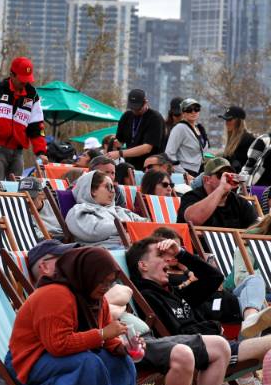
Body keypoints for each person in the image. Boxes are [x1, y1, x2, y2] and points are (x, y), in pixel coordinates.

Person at [6, 247, 138, 385]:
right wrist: (104, 335)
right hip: (28, 361)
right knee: (89, 362)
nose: (106, 287)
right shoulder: (55, 295)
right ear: (86, 274)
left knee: (121, 363)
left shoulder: (95, 298)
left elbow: (104, 332)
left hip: (65, 358)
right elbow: (58, 345)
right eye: (102, 281)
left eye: (110, 282)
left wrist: (120, 347)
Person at [127, 235, 271, 366]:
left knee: (255, 279)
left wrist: (181, 254)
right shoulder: (148, 297)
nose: (168, 259)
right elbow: (177, 335)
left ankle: (250, 320)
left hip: (218, 346)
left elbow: (214, 278)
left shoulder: (174, 292)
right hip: (208, 352)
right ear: (143, 265)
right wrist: (213, 327)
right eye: (160, 255)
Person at [0, 57, 49, 179]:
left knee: (16, 188)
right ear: (11, 75)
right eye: (22, 79)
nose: (25, 83)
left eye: (27, 79)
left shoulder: (33, 95)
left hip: (18, 152)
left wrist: (41, 152)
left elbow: (37, 126)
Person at [65, 170, 144, 247]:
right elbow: (93, 232)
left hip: (133, 247)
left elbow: (144, 222)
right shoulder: (80, 210)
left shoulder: (119, 210)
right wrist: (125, 227)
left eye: (113, 187)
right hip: (106, 251)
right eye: (109, 187)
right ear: (93, 191)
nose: (113, 191)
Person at [178, 157, 257, 230]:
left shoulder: (240, 203)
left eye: (229, 175)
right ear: (206, 180)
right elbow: (194, 220)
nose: (226, 179)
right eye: (221, 175)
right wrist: (221, 188)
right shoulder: (191, 197)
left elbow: (256, 230)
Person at [110, 89, 165, 169]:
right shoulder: (126, 116)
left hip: (150, 167)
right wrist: (115, 145)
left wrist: (120, 153)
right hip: (130, 165)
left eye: (138, 108)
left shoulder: (155, 118)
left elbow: (147, 148)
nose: (135, 111)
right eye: (132, 108)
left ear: (145, 102)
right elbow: (120, 141)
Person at [163, 97, 207, 176]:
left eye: (196, 109)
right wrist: (184, 174)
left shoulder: (199, 128)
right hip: (185, 172)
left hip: (199, 172)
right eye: (189, 109)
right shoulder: (180, 128)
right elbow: (169, 154)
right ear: (183, 112)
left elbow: (203, 152)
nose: (193, 112)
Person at [219, 105, 255, 171]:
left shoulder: (248, 139)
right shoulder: (231, 140)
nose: (226, 123)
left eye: (229, 119)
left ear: (239, 122)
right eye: (225, 119)